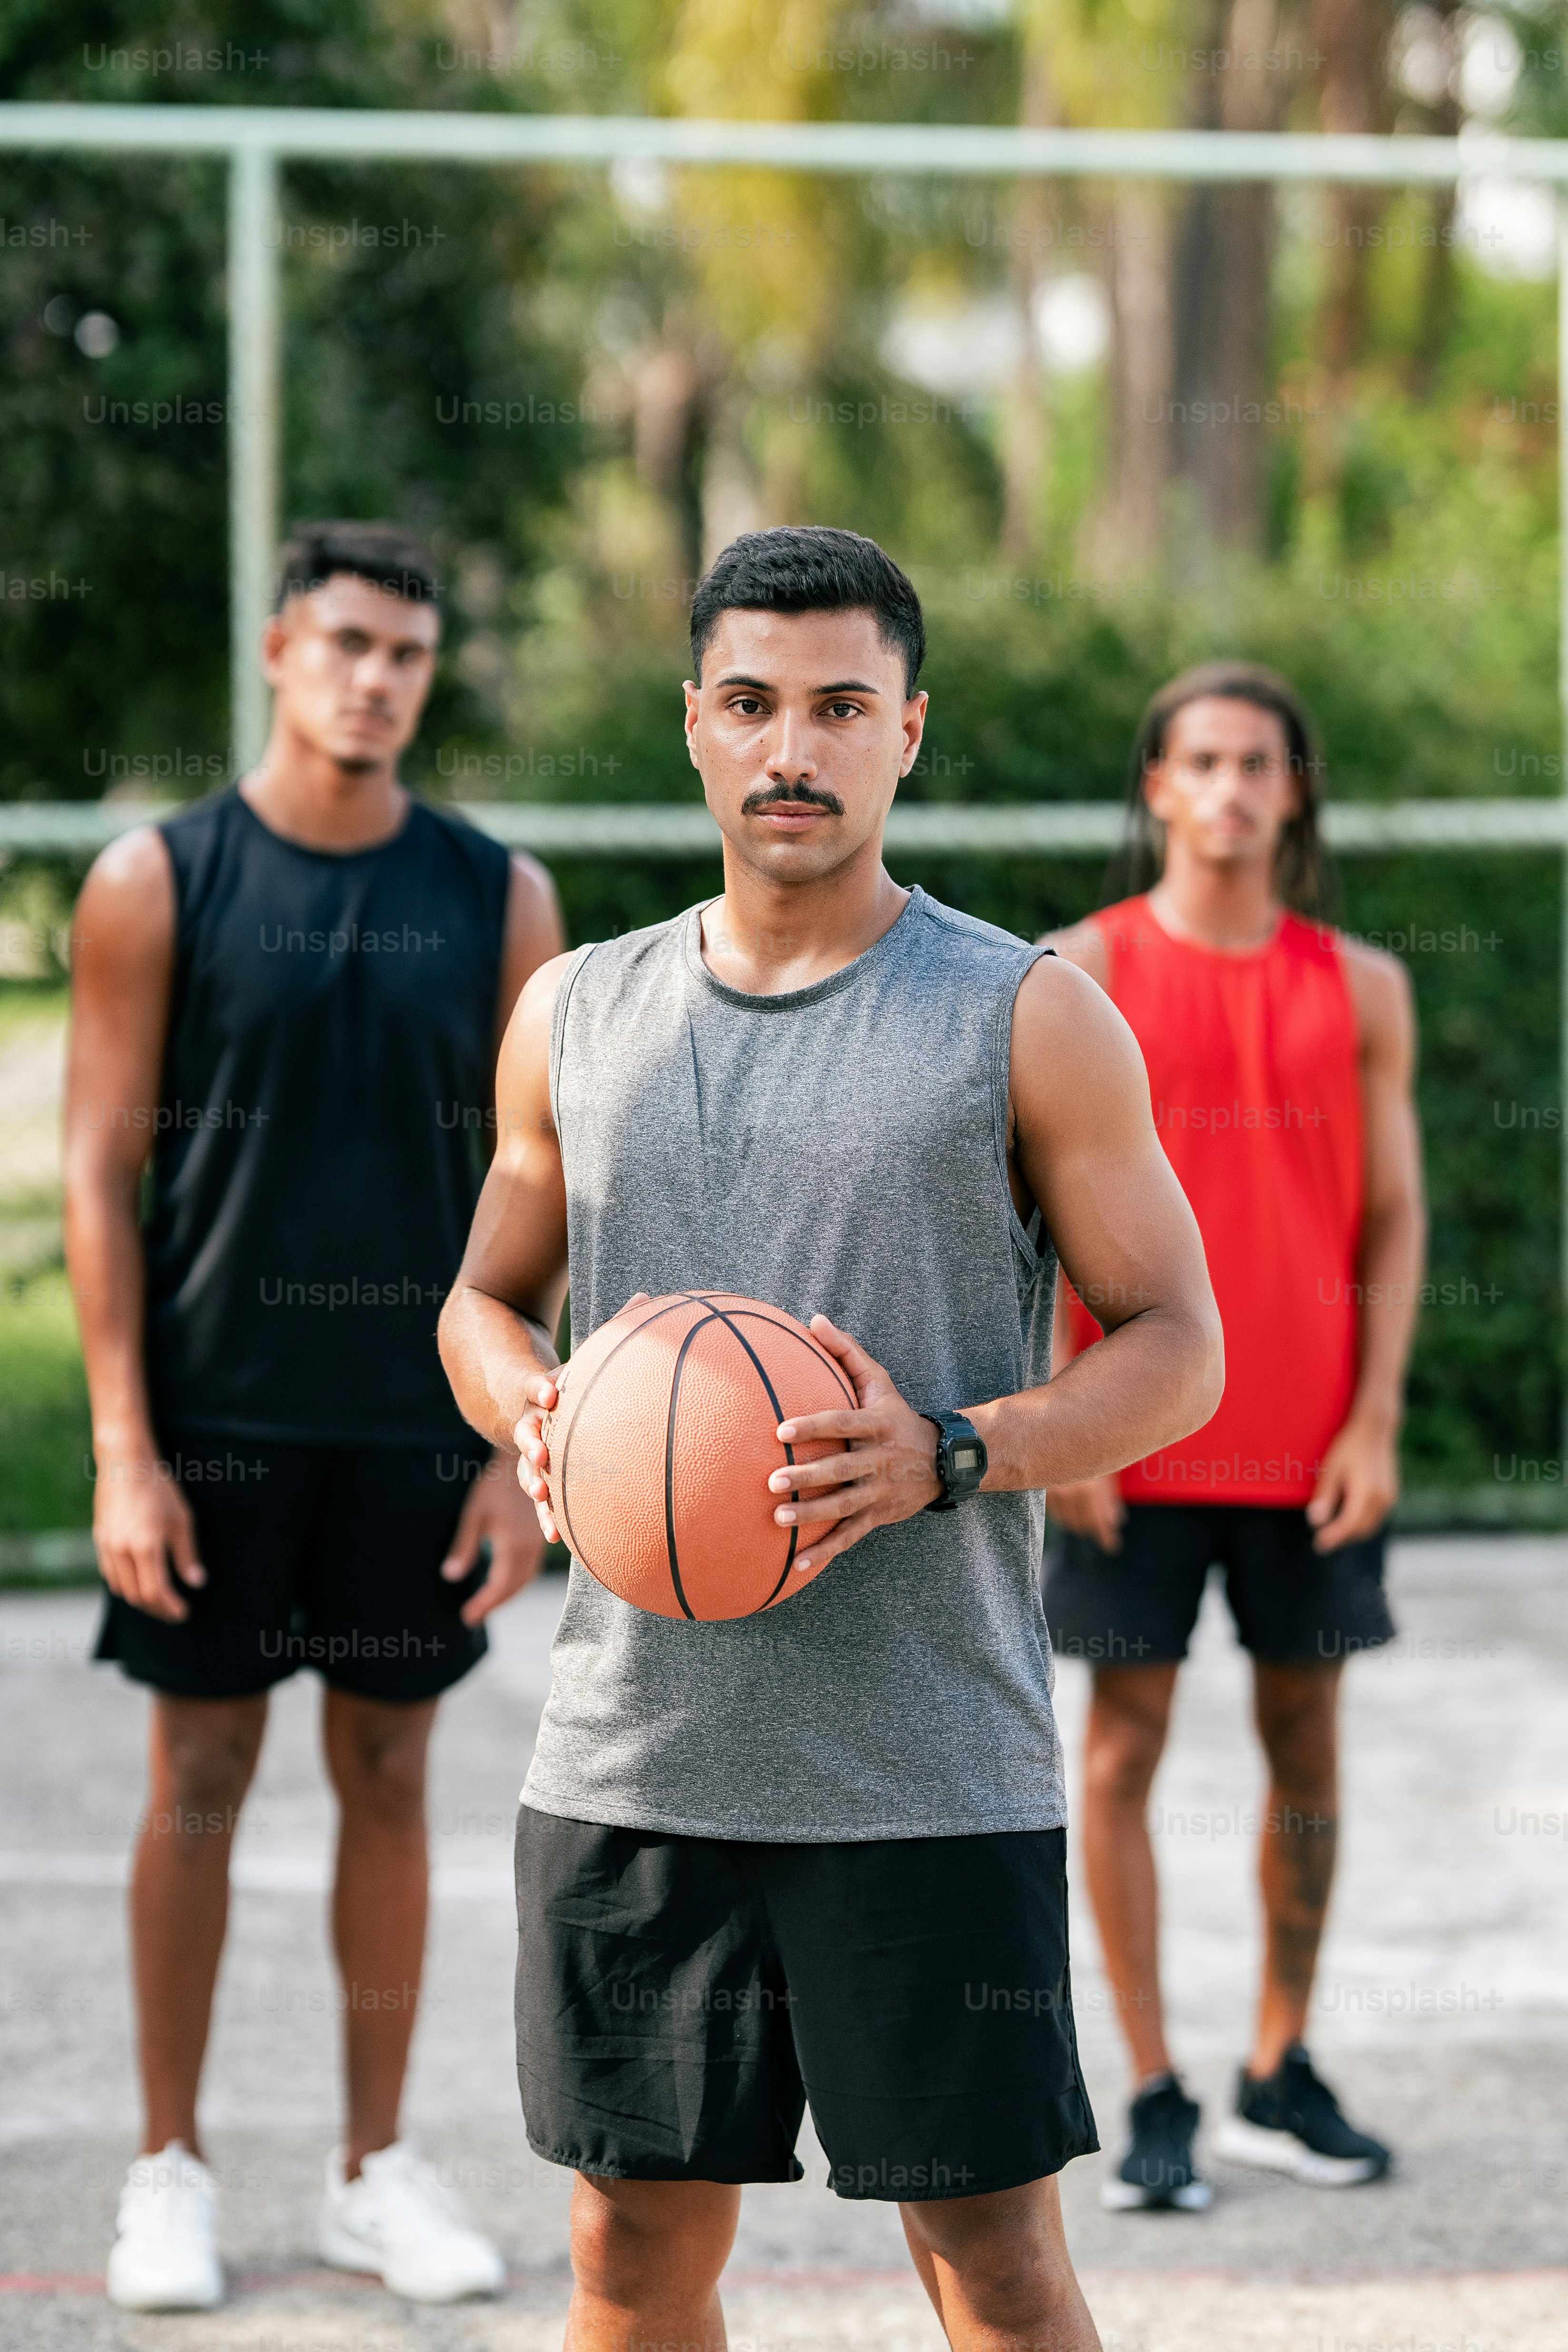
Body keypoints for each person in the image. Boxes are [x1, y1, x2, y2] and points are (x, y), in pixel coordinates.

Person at [438, 525, 1224, 2352]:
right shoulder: (577, 1013)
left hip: (925, 1762)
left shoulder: (1025, 1014)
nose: (793, 747)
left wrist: (953, 1450)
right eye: (752, 704)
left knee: (997, 2267)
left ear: (908, 733)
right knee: (629, 2254)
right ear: (696, 730)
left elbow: (1181, 1348)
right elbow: (479, 1299)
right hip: (638, 1753)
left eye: (841, 706)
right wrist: (533, 1409)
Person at [65, 520, 564, 2311]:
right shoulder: (156, 880)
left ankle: (372, 2167)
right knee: (197, 1775)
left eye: (408, 655)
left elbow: (541, 1184)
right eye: (346, 643)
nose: (376, 679)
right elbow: (97, 1175)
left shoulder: (499, 894)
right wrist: (126, 1441)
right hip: (215, 1418)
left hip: (417, 1424)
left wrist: (527, 1451)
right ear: (280, 650)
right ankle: (166, 2167)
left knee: (393, 1770)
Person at [1042, 661, 1425, 2212]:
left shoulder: (1365, 987)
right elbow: (1024, 1225)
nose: (1232, 787)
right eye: (1202, 759)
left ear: (1295, 791)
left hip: (1309, 1445)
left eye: (1261, 762)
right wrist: (1065, 1429)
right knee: (1123, 1751)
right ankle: (1150, 2088)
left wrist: (1379, 1417)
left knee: (1305, 1744)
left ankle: (1281, 2065)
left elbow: (1394, 1220)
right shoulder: (1081, 971)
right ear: (1157, 788)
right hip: (1131, 1442)